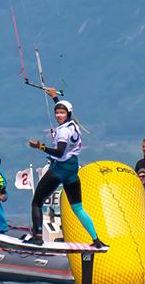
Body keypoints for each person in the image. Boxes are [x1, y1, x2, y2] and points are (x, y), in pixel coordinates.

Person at [27, 89, 105, 248]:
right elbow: (66, 110)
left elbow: (59, 151)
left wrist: (40, 147)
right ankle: (96, 240)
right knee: (77, 207)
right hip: (72, 169)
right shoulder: (73, 125)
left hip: (60, 169)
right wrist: (55, 97)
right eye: (57, 113)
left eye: (61, 113)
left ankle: (38, 237)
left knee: (37, 202)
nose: (58, 115)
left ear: (67, 114)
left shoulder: (63, 131)